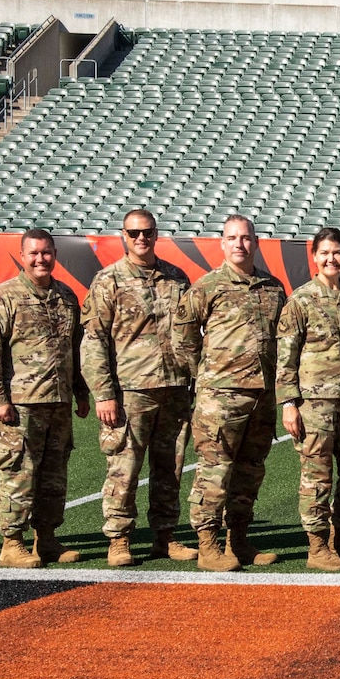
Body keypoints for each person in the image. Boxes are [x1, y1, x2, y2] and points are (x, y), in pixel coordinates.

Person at [80, 207, 194, 567]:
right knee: (124, 468)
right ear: (123, 237)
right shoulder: (108, 281)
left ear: (156, 234)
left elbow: (190, 335)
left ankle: (165, 536)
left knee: (170, 467)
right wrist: (103, 392)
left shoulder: (176, 278)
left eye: (147, 232)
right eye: (134, 233)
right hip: (131, 391)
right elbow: (93, 340)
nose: (141, 238)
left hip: (174, 388)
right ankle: (119, 539)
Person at [175, 214, 288, 572]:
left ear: (255, 243)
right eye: (232, 238)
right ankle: (207, 545)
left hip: (262, 397)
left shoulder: (273, 287)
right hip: (220, 398)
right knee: (214, 471)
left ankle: (237, 540)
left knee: (250, 471)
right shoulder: (206, 287)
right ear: (222, 244)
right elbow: (183, 338)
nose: (240, 244)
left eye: (246, 238)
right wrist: (205, 375)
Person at [0, 227, 91, 569]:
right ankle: (12, 543)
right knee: (18, 472)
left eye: (47, 252)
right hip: (19, 405)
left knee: (54, 475)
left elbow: (75, 349)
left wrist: (81, 392)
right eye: (34, 253)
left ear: (55, 254)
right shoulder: (2, 297)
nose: (41, 259)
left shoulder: (66, 296)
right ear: (22, 257)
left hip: (58, 403)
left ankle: (47, 539)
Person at [278, 228, 340, 572]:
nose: (332, 259)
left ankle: (338, 540)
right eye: (325, 253)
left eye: (338, 253)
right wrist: (289, 403)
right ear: (314, 257)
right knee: (317, 476)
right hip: (314, 403)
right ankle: (317, 547)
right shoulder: (300, 301)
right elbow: (286, 356)